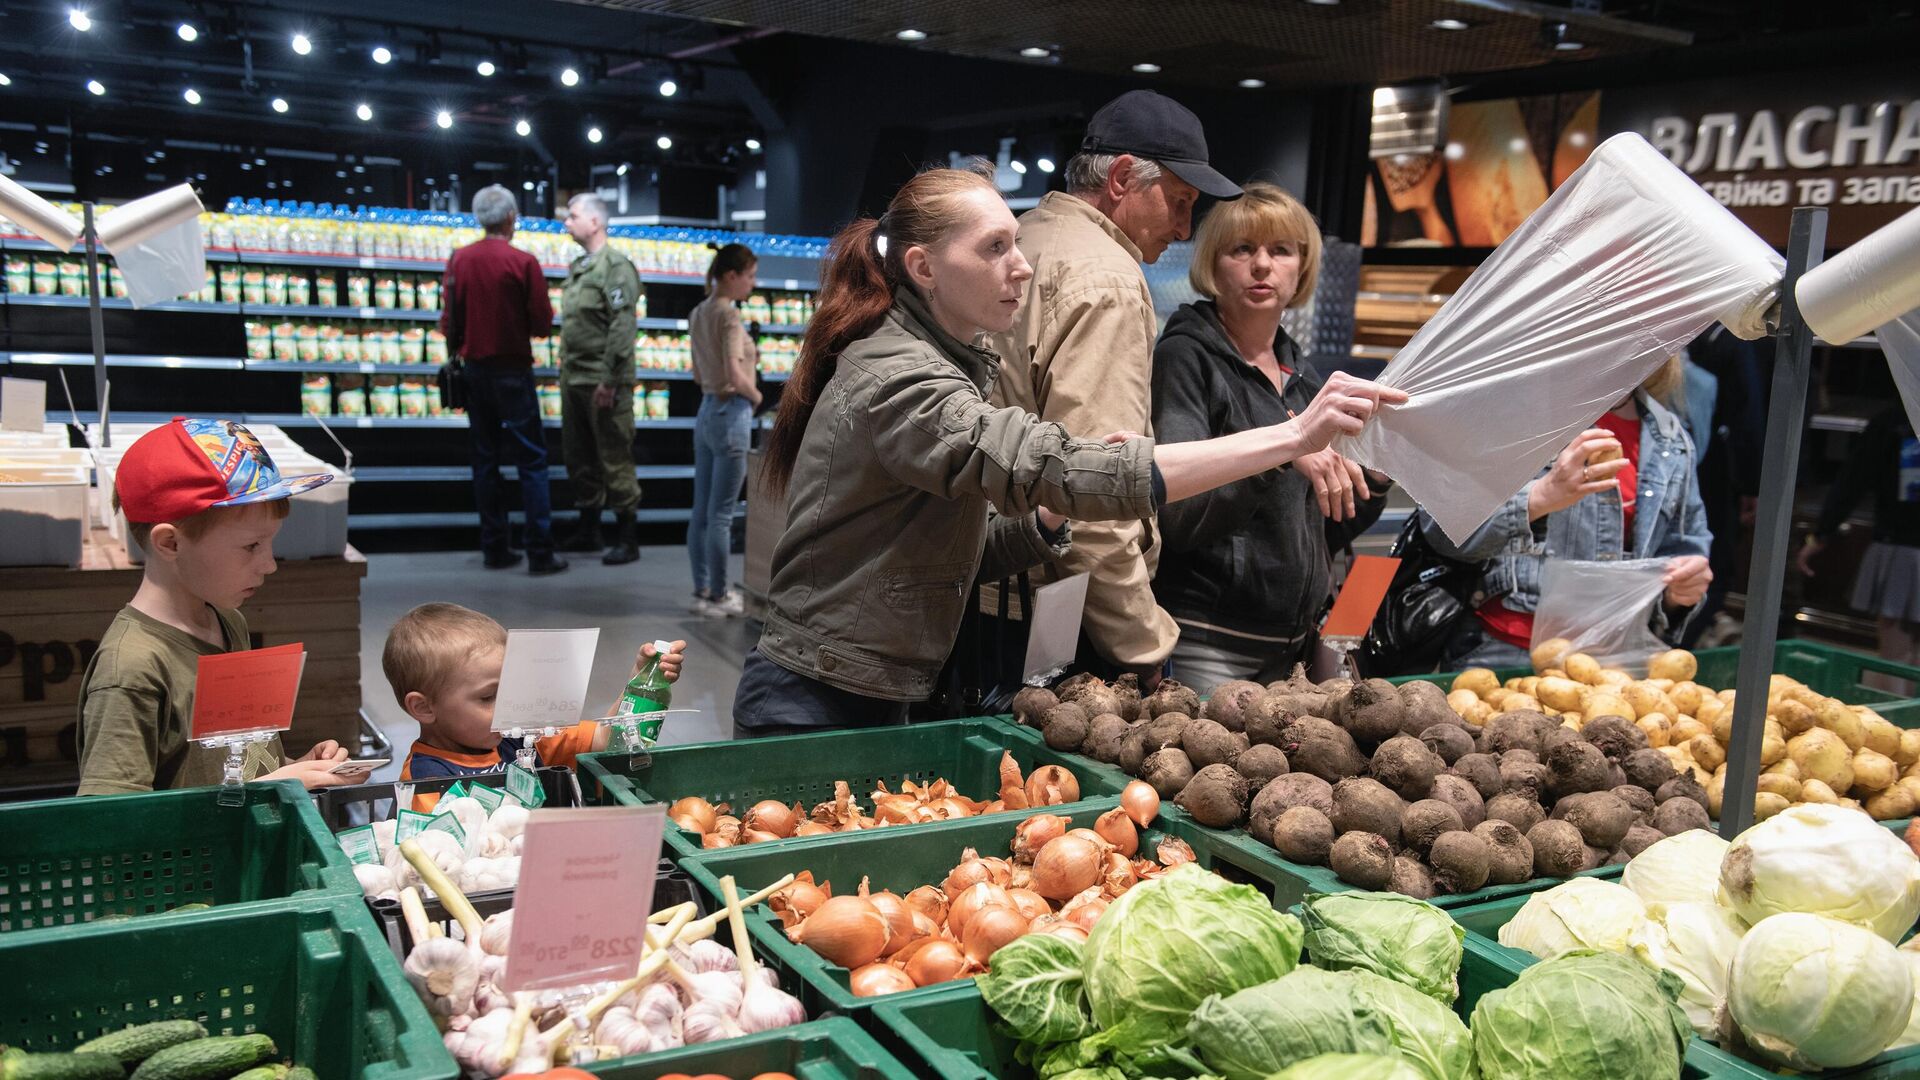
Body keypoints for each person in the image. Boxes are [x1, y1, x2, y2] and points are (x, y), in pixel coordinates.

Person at [731, 164, 1403, 737]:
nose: (1020, 266)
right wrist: (1290, 437)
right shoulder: (901, 377)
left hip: (877, 687)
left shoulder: (957, 363)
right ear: (923, 267)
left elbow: (951, 552)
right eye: (995, 248)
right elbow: (1047, 464)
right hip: (816, 699)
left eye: (1015, 244)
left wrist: (1049, 522)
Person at [990, 89, 1245, 686]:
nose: (1184, 229)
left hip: (983, 586)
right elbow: (1092, 494)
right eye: (1180, 203)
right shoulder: (1105, 277)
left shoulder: (1026, 237)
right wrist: (1145, 645)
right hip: (1047, 609)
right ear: (1124, 178)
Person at [1152, 183, 1392, 689]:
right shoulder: (1184, 359)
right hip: (1208, 640)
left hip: (1296, 647)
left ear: (1301, 268)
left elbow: (1323, 527)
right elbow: (1180, 517)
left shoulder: (1302, 374)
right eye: (1243, 249)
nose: (1262, 265)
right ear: (1213, 265)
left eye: (1280, 250)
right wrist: (1284, 450)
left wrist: (1377, 473)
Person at [75, 418, 351, 795]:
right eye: (251, 546)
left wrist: (294, 768)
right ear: (170, 544)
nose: (270, 564)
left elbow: (222, 766)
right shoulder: (131, 668)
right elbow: (113, 825)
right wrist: (265, 788)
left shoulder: (227, 620)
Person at [1423, 358, 1715, 670]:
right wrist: (1540, 497)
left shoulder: (1670, 438)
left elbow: (1681, 553)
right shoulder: (1509, 415)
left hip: (1614, 663)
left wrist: (1679, 591)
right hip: (1504, 655)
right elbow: (1442, 531)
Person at [384, 602, 686, 805]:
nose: (507, 705)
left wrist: (639, 682)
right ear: (423, 707)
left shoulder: (523, 737)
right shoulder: (424, 783)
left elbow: (603, 738)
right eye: (488, 697)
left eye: (511, 688)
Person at [442, 185, 565, 575]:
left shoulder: (459, 259)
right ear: (511, 217)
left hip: (474, 372)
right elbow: (543, 323)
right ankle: (539, 552)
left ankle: (494, 547)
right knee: (531, 461)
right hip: (514, 370)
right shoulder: (524, 262)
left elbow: (450, 321)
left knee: (485, 460)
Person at [1800, 405, 1920, 688]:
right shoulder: (1893, 422)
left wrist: (1821, 534)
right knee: (1900, 657)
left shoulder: (1894, 420)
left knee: (1895, 657)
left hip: (1899, 547)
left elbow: (1853, 480)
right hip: (1900, 547)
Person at [557, 192, 644, 565]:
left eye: (573, 215)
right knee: (579, 457)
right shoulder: (579, 267)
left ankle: (628, 535)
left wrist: (610, 380)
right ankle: (589, 529)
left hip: (603, 379)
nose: (567, 222)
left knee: (613, 455)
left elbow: (622, 327)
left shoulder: (616, 268)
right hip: (574, 376)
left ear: (595, 221)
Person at [685, 242, 762, 617]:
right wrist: (756, 394)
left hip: (705, 411)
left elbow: (697, 372)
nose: (752, 283)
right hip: (732, 413)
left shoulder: (698, 313)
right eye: (749, 276)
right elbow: (734, 372)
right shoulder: (729, 317)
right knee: (722, 514)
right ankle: (719, 594)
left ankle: (701, 588)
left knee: (701, 511)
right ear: (731, 276)